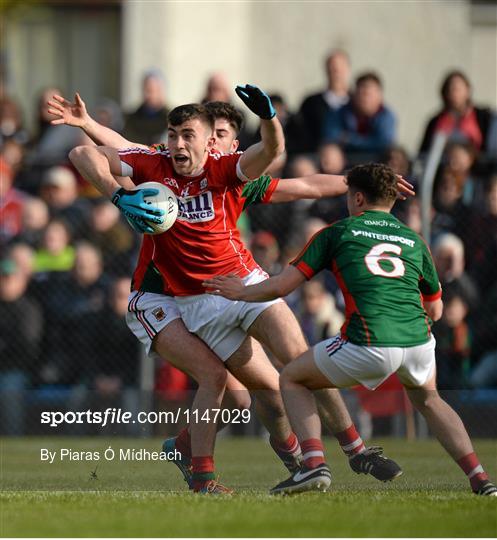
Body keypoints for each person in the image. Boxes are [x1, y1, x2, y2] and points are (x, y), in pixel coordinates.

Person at [55, 91, 411, 491]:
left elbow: (300, 179)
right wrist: (119, 193)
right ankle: (247, 465)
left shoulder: (232, 173)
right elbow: (100, 152)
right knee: (238, 388)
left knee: (295, 364)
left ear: (217, 142)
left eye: (200, 135)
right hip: (180, 300)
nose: (179, 144)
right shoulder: (156, 165)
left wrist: (362, 179)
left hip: (246, 284)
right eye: (174, 135)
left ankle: (351, 452)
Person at [204, 163, 497, 497]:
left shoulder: (337, 232)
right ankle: (481, 480)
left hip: (369, 341)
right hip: (418, 340)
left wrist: (240, 291)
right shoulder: (415, 240)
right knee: (430, 401)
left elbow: (283, 286)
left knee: (293, 377)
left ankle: (313, 465)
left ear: (357, 198)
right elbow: (436, 309)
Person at [419, 70, 494, 154]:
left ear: (467, 90)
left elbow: (490, 151)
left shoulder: (484, 118)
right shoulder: (435, 122)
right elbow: (424, 152)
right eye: (450, 89)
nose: (454, 93)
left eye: (457, 89)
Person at [323, 72, 396, 156]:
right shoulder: (338, 113)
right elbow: (331, 139)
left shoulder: (387, 117)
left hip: (377, 164)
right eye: (361, 93)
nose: (365, 98)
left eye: (368, 94)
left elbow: (384, 144)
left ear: (379, 95)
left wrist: (350, 140)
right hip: (344, 164)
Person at [297, 49, 352, 153]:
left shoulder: (358, 103)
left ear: (348, 70)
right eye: (333, 68)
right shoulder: (311, 103)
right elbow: (302, 136)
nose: (336, 73)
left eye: (340, 68)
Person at [122, 70, 169, 146]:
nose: (149, 95)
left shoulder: (171, 119)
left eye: (152, 90)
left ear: (161, 91)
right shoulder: (131, 119)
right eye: (146, 90)